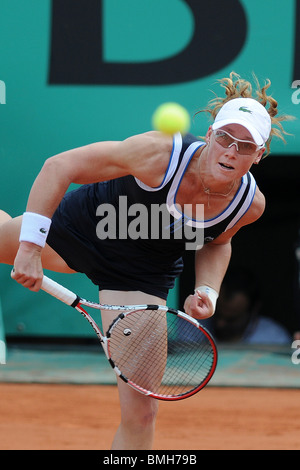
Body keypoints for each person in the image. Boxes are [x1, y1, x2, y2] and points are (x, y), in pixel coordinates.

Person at [0, 72, 292, 450]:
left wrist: (208, 289)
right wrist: (30, 248)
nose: (231, 151)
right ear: (209, 133)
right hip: (79, 231)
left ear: (260, 155)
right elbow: (59, 166)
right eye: (225, 137)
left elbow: (218, 242)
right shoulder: (158, 154)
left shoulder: (249, 205)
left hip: (140, 278)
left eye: (245, 145)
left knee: (141, 413)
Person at [210, 267, 291, 344]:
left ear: (254, 310)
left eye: (231, 320)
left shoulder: (274, 338)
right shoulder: (198, 328)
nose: (220, 324)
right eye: (217, 314)